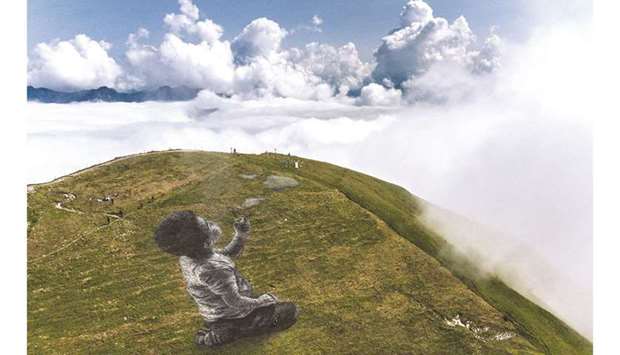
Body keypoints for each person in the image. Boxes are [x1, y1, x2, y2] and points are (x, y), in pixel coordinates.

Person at [154, 211, 298, 347]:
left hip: (214, 313)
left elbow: (225, 254)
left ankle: (214, 327)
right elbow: (235, 302)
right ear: (205, 242)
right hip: (235, 315)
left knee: (265, 307)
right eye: (208, 225)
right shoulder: (215, 269)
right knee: (290, 311)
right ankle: (230, 331)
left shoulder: (190, 257)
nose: (212, 223)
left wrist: (240, 235)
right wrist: (262, 301)